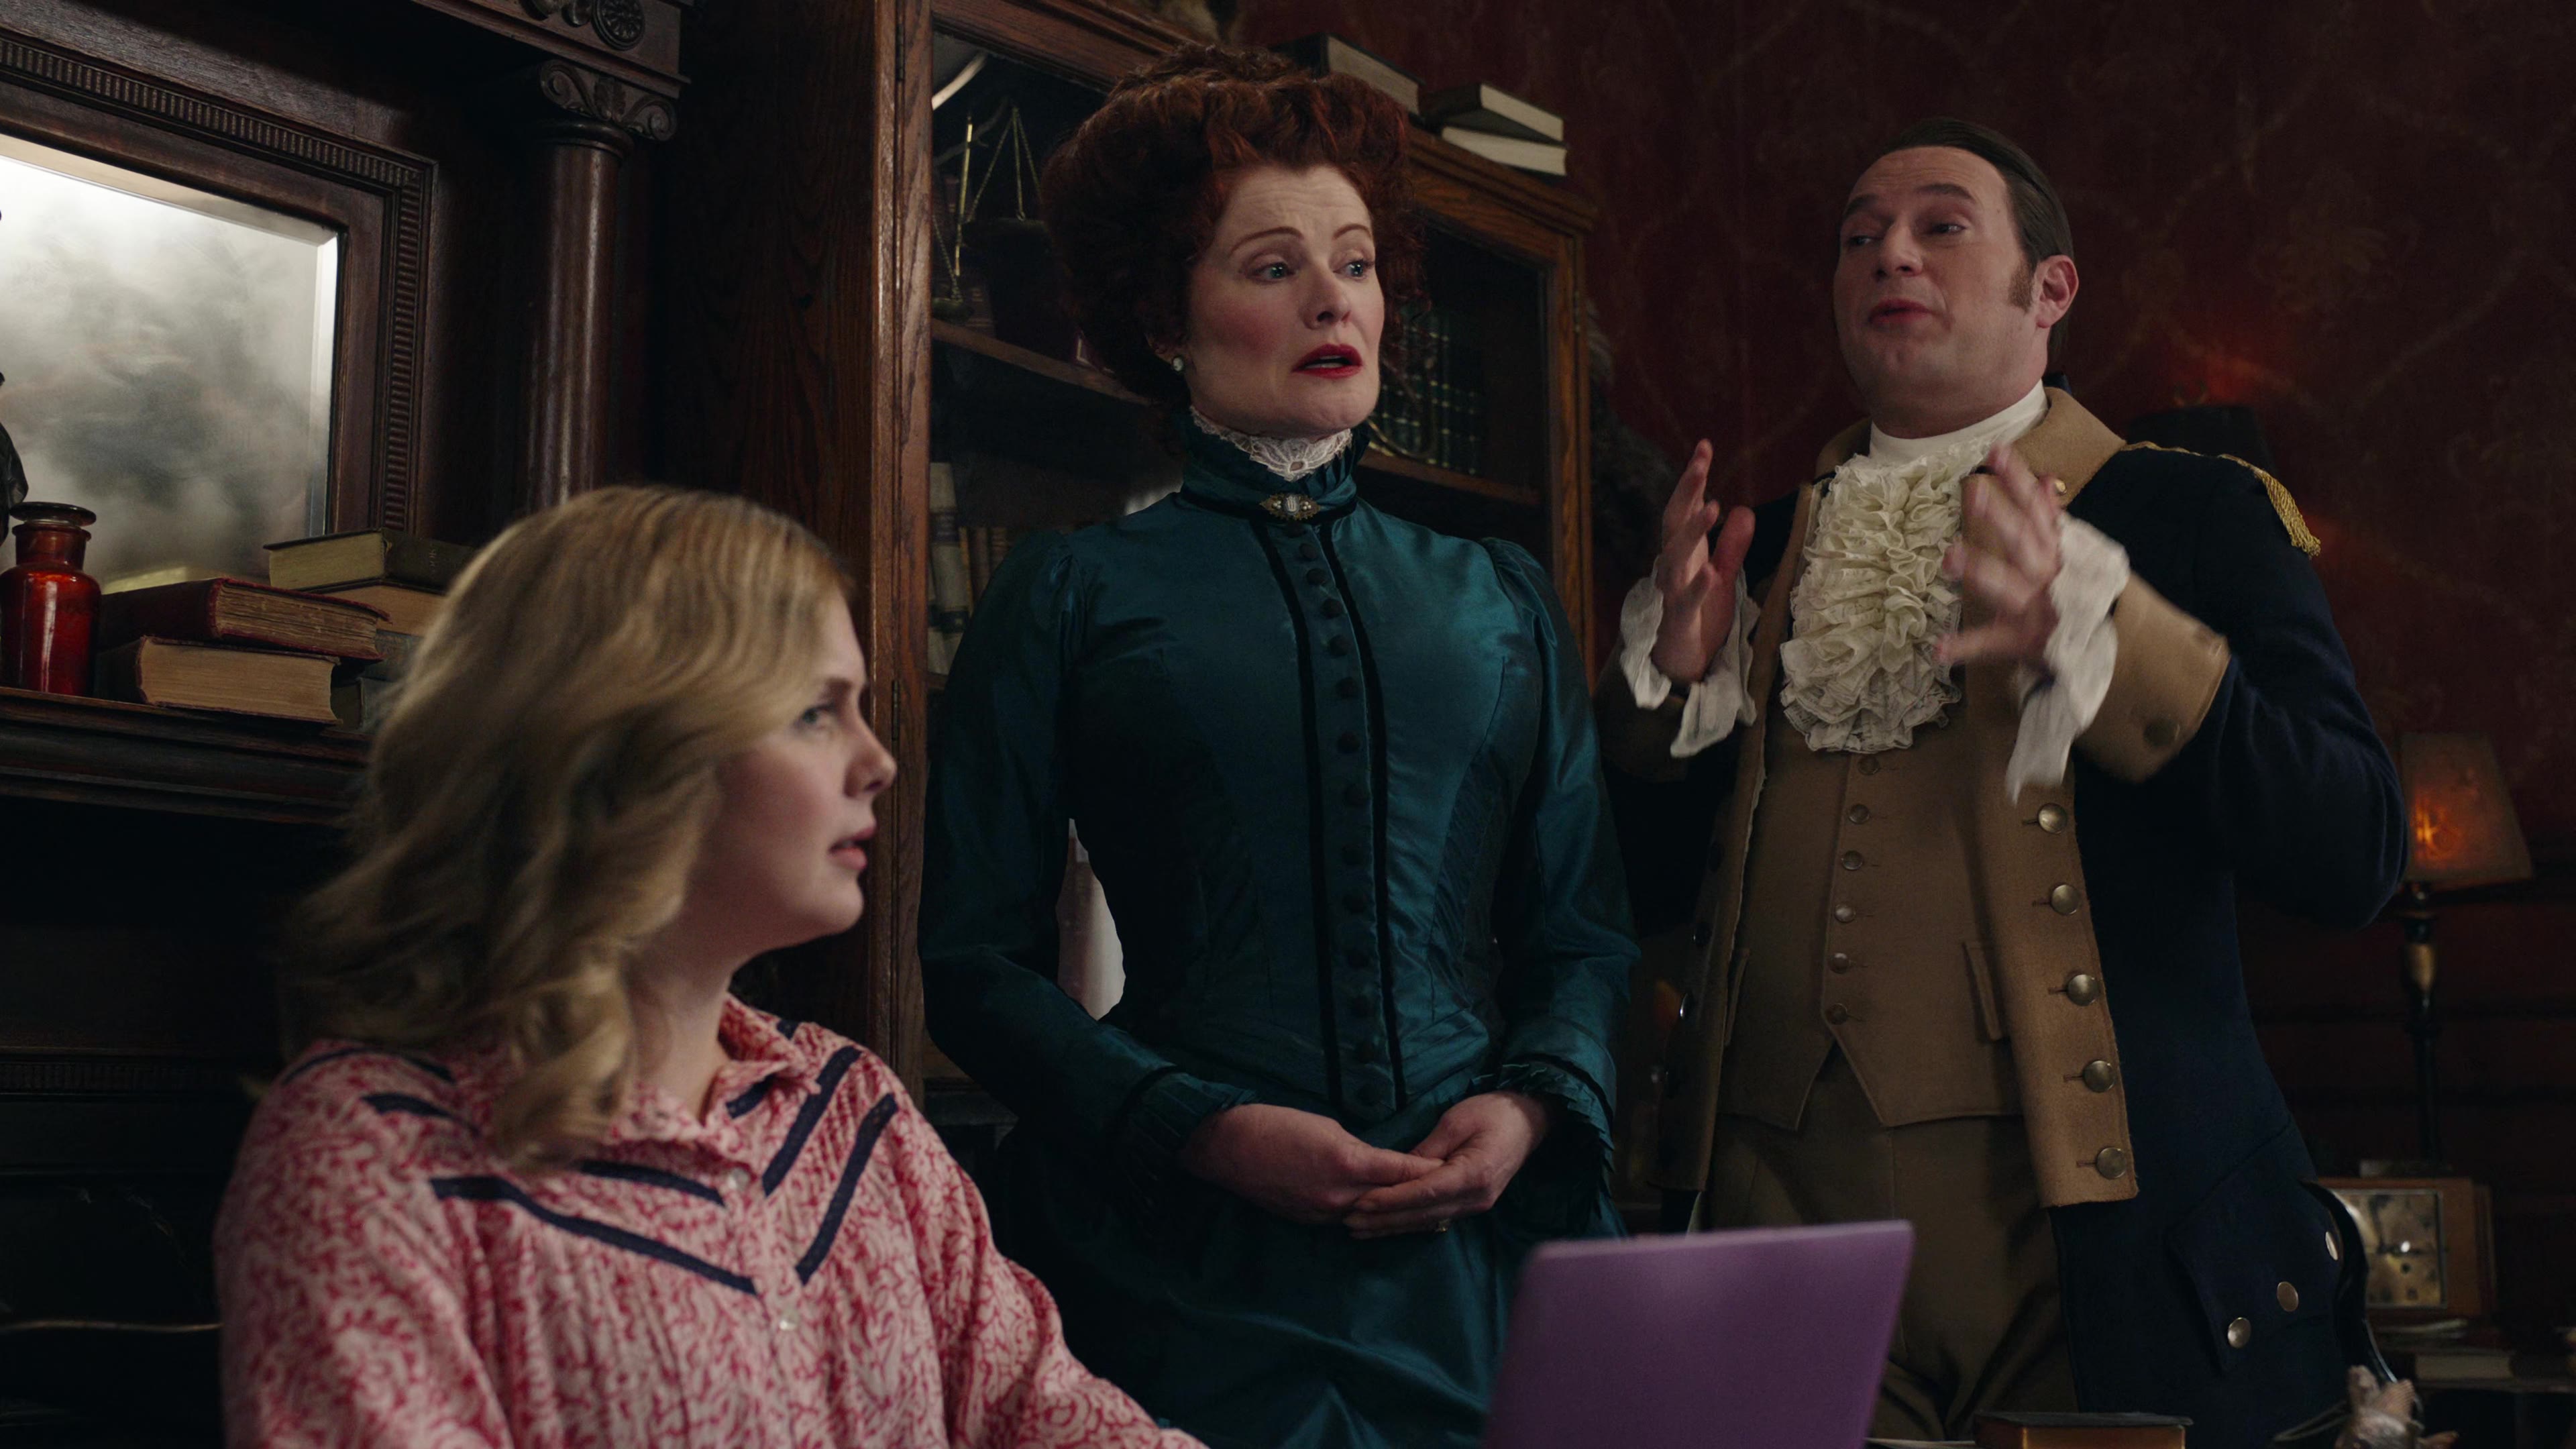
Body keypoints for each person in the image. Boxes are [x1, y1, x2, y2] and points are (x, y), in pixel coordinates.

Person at [1600, 119, 2404, 1449]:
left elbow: (2353, 848)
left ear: (2051, 288)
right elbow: (1639, 900)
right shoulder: (1761, 545)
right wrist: (1668, 704)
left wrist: (2114, 643)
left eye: (1941, 225)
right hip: (1779, 1229)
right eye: (1858, 236)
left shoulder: (2192, 512)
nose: (1889, 255)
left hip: (2095, 1249)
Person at [920, 45, 1634, 1449]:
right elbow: (974, 967)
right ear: (1164, 318)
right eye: (1273, 266)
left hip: (1488, 1266)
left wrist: (1529, 1113)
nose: (1333, 300)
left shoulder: (1503, 597)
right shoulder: (1068, 594)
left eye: (1356, 264)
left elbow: (1583, 937)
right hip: (1184, 1264)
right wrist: (1199, 1126)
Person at [216, 486, 1197, 1449]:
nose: (880, 762)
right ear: (625, 752)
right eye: (816, 712)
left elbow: (1053, 1415)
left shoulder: (855, 1115)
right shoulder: (372, 1154)